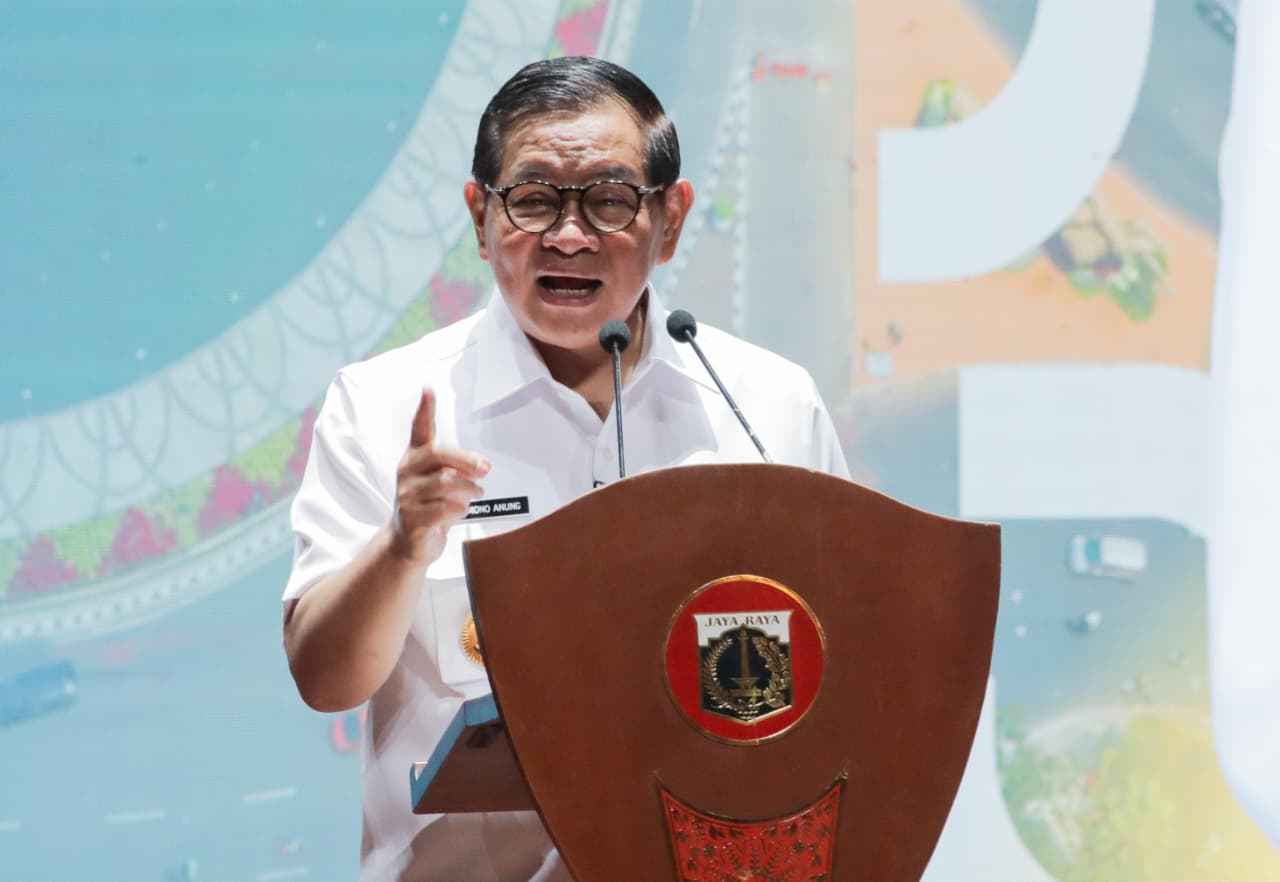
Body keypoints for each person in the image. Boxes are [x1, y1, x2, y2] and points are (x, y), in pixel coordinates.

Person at [282, 56, 850, 881]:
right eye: (535, 199)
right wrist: (402, 544)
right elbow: (325, 681)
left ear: (671, 219)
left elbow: (844, 665)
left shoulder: (766, 405)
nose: (570, 235)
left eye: (610, 200)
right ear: (480, 216)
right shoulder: (384, 404)